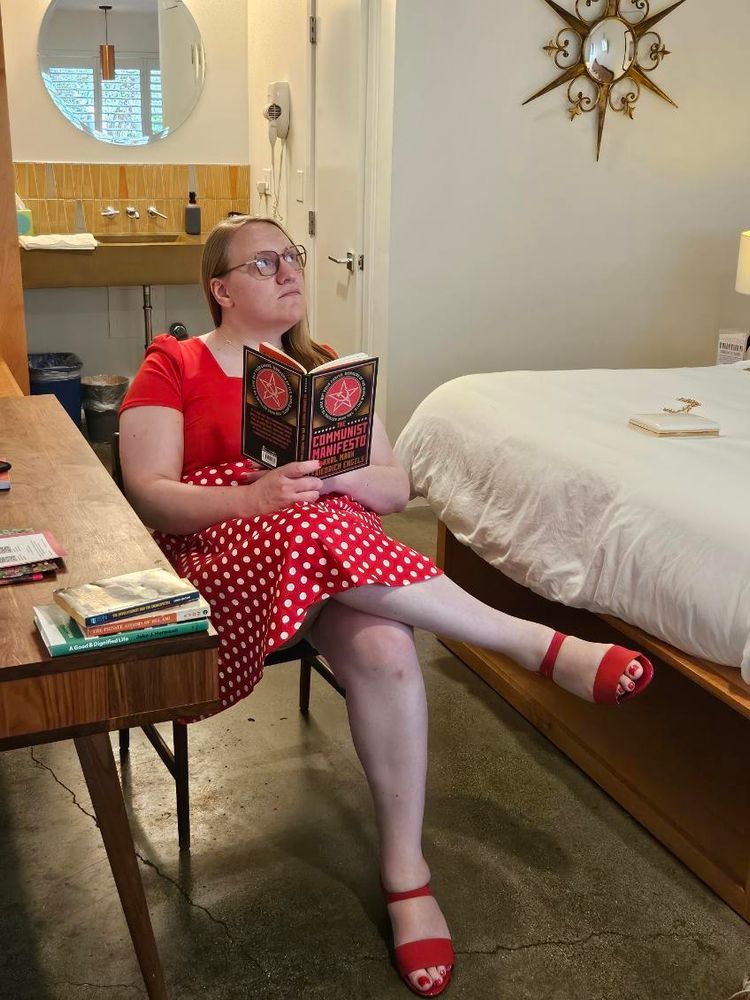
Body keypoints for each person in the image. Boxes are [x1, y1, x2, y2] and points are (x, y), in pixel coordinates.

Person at [118, 215, 653, 997]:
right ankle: (533, 644)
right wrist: (254, 496)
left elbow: (396, 489)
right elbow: (148, 494)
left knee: (386, 648)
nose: (289, 271)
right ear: (220, 289)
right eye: (264, 263)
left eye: (293, 257)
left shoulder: (327, 371)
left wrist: (330, 476)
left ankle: (407, 873)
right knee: (308, 522)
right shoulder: (174, 363)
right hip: (224, 560)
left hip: (334, 564)